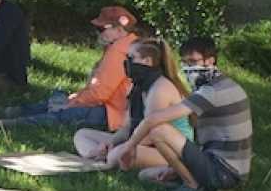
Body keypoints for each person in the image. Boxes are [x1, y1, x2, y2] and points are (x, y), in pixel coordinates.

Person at [115, 36, 252, 191]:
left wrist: (129, 147)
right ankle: (200, 183)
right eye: (185, 62)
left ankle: (192, 186)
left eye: (193, 62)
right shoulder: (223, 84)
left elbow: (154, 119)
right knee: (145, 175)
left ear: (210, 61)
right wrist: (175, 169)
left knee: (158, 130)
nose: (188, 68)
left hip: (225, 172)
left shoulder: (212, 91)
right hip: (223, 166)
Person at [74, 38, 194, 178]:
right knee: (82, 135)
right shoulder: (136, 86)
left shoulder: (161, 88)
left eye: (131, 58)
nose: (127, 62)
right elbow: (127, 126)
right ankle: (97, 156)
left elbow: (152, 133)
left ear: (147, 61)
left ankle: (107, 159)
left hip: (169, 149)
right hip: (140, 141)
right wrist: (110, 143)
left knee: (116, 155)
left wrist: (124, 147)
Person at [2, 6, 138, 128]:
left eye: (101, 29)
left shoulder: (118, 52)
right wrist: (74, 99)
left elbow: (99, 94)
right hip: (109, 107)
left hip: (112, 113)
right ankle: (19, 113)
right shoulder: (128, 46)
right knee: (59, 96)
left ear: (120, 30)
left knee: (63, 114)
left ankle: (11, 123)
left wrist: (72, 103)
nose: (98, 33)